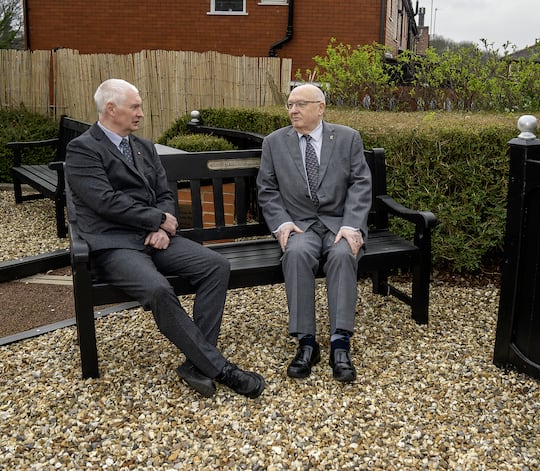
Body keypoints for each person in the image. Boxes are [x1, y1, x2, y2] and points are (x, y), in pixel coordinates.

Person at [65, 78, 265, 399]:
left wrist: (162, 226)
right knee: (159, 289)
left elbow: (163, 193)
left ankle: (195, 363)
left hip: (157, 239)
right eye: (135, 107)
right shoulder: (82, 149)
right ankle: (220, 368)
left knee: (215, 266)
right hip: (114, 245)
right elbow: (104, 201)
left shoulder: (143, 147)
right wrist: (156, 219)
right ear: (111, 109)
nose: (141, 113)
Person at [256, 83, 372, 383]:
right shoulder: (274, 142)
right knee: (294, 253)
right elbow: (267, 190)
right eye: (290, 105)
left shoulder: (347, 138)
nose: (293, 110)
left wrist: (351, 224)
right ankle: (306, 341)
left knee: (344, 255)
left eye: (300, 104)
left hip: (339, 222)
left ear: (320, 108)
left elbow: (360, 183)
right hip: (300, 224)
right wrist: (281, 223)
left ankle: (339, 343)